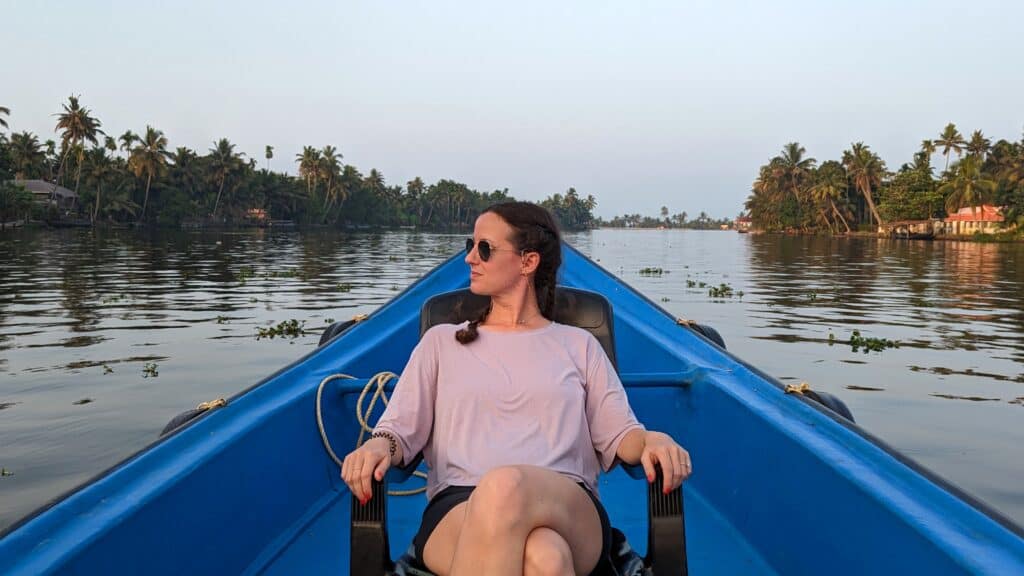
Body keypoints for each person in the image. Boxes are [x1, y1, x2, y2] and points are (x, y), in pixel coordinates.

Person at [341, 202, 692, 576]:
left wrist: (652, 439)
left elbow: (621, 435)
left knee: (504, 485)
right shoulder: (441, 343)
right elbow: (397, 431)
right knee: (546, 559)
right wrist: (378, 444)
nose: (470, 259)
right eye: (469, 246)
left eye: (485, 249)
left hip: (568, 504)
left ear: (528, 262)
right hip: (457, 508)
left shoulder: (579, 345)